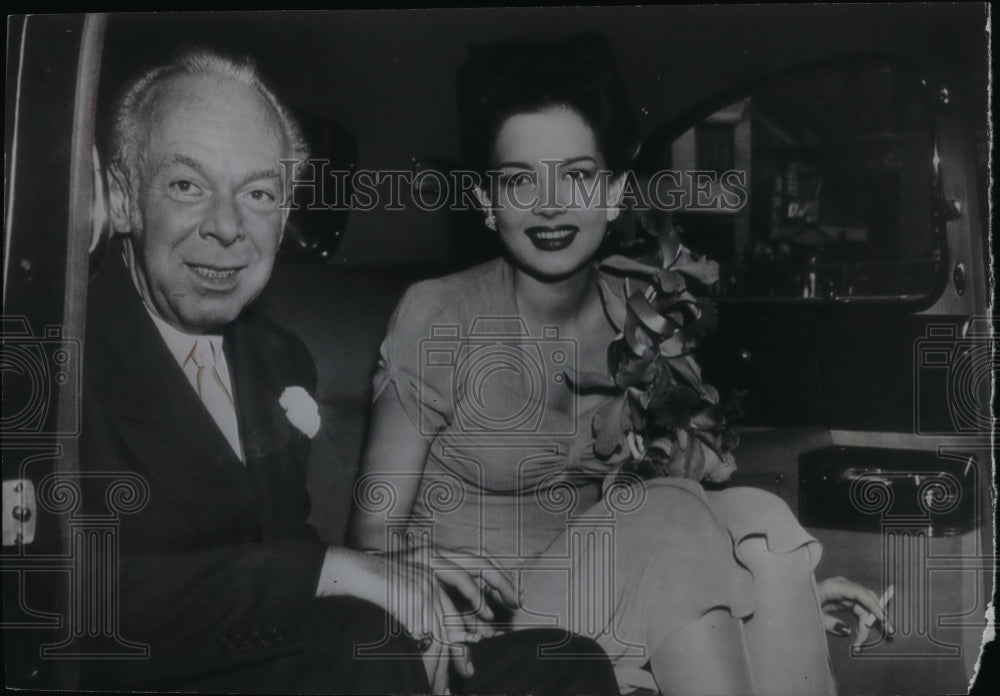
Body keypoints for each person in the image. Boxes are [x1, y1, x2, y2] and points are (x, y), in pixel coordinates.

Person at [348, 34, 891, 695]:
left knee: (753, 513)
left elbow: (652, 508)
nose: (550, 204)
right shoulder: (439, 314)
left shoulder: (639, 314)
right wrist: (429, 572)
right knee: (666, 512)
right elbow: (371, 534)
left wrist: (775, 597)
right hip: (472, 629)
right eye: (520, 179)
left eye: (576, 175)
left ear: (612, 195)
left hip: (588, 600)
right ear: (489, 205)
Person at [79, 47, 619, 694]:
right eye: (187, 186)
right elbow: (63, 598)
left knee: (567, 666)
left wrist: (405, 586)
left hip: (279, 653)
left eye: (258, 193)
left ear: (284, 217)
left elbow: (279, 545)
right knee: (361, 642)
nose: (226, 227)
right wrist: (329, 572)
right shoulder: (54, 359)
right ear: (122, 198)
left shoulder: (277, 357)